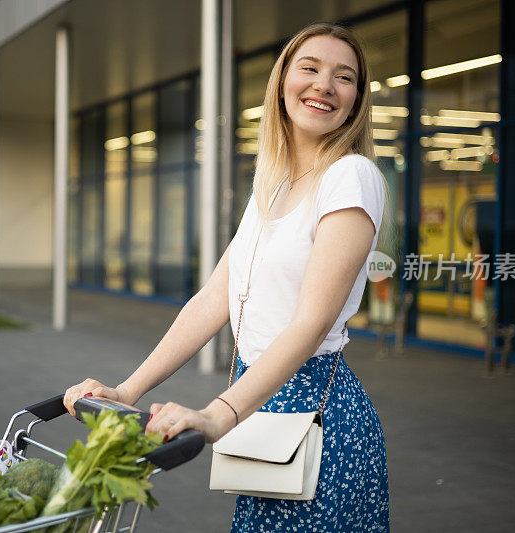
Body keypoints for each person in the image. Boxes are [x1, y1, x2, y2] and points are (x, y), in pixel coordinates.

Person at [64, 22, 391, 532]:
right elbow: (213, 299)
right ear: (282, 81)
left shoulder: (351, 176)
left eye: (343, 77)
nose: (324, 84)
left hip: (317, 416)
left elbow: (309, 324)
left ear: (355, 100)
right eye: (309, 68)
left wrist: (218, 415)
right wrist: (127, 391)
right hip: (261, 405)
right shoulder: (272, 185)